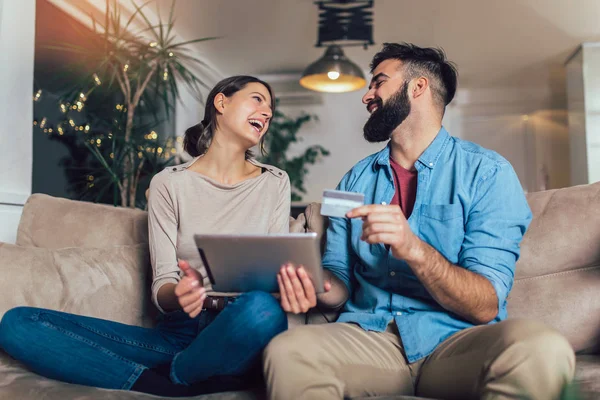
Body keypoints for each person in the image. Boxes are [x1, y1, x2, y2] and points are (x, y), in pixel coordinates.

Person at [265, 43, 575, 400]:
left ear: (418, 87)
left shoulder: (488, 174)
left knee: (542, 348)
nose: (367, 95)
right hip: (370, 340)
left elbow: (486, 303)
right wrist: (311, 282)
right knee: (287, 351)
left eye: (378, 82)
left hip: (456, 342)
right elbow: (339, 282)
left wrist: (413, 248)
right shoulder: (352, 181)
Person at [0, 75, 290, 397]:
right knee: (18, 323)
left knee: (264, 309)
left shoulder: (274, 183)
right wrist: (179, 293)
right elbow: (162, 286)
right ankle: (169, 385)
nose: (267, 113)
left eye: (271, 108)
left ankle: (184, 374)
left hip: (239, 325)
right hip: (178, 334)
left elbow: (273, 275)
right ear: (221, 103)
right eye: (258, 100)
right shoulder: (170, 183)